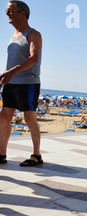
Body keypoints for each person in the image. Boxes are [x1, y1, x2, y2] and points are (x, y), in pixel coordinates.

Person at [0, 1, 43, 166]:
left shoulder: (34, 34)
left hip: (28, 82)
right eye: (6, 11)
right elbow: (10, 63)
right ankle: (1, 154)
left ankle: (37, 155)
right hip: (11, 83)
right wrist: (4, 78)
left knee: (29, 118)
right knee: (4, 118)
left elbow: (33, 58)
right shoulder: (13, 36)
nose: (7, 14)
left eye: (10, 11)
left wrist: (12, 71)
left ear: (23, 13)